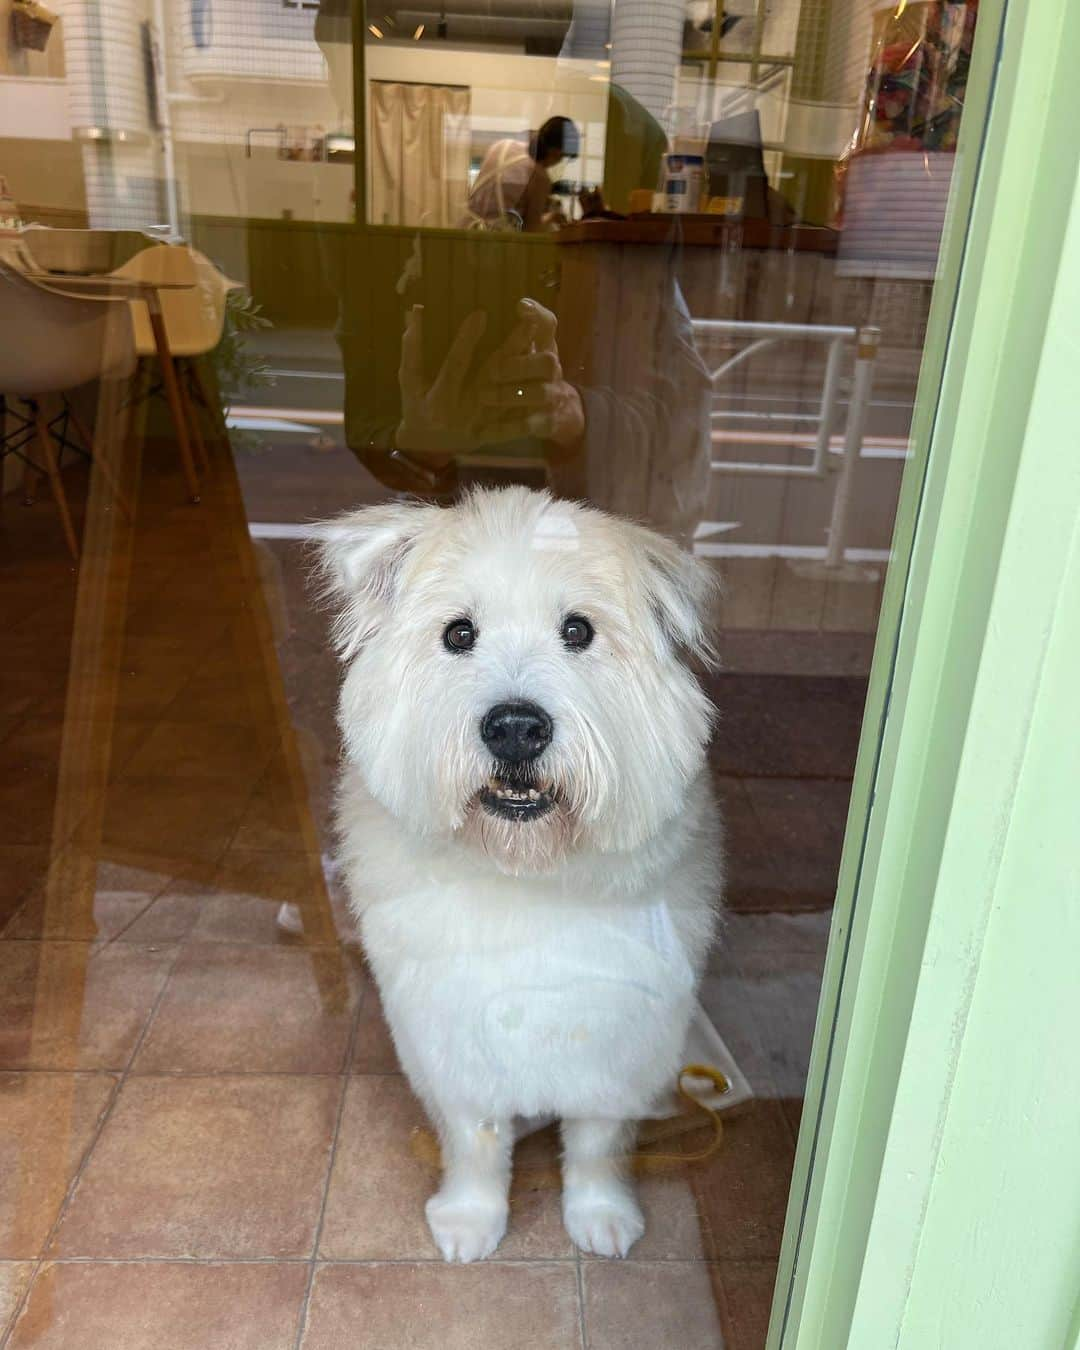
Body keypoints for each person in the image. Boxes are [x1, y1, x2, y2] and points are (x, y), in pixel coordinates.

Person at [464, 116, 581, 232]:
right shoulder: (540, 177)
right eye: (561, 157)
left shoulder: (502, 145)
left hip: (464, 231)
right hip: (494, 242)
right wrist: (552, 217)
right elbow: (531, 230)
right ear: (555, 152)